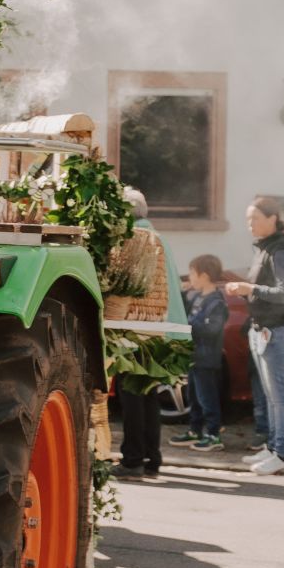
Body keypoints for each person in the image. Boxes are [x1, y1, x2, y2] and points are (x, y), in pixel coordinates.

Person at [226, 197, 284, 474]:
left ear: (272, 219)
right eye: (248, 219)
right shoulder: (265, 247)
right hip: (261, 329)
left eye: (254, 218)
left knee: (278, 395)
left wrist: (250, 289)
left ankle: (280, 453)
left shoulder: (280, 250)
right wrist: (246, 289)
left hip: (276, 331)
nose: (250, 224)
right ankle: (271, 448)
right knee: (270, 394)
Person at [114, 187, 165, 476]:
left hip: (133, 325)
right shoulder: (157, 236)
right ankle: (152, 457)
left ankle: (133, 458)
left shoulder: (133, 238)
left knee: (132, 394)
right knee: (149, 394)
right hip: (156, 326)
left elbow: (123, 285)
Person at [182, 255, 228, 449]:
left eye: (193, 273)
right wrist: (182, 294)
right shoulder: (197, 297)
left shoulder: (216, 302)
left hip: (206, 358)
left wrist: (190, 326)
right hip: (195, 356)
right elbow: (184, 314)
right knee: (193, 396)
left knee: (206, 398)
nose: (189, 277)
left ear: (205, 276)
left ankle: (213, 434)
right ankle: (195, 430)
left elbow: (212, 330)